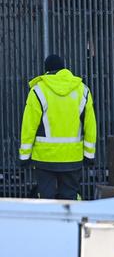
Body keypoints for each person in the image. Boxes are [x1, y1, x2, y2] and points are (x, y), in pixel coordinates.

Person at [19, 54, 97, 199]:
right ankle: (71, 222)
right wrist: (89, 155)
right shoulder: (82, 90)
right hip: (72, 158)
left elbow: (29, 126)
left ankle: (49, 222)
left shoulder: (38, 91)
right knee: (70, 199)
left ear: (46, 70)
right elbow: (90, 125)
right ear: (64, 68)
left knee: (47, 200)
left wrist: (24, 156)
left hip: (45, 158)